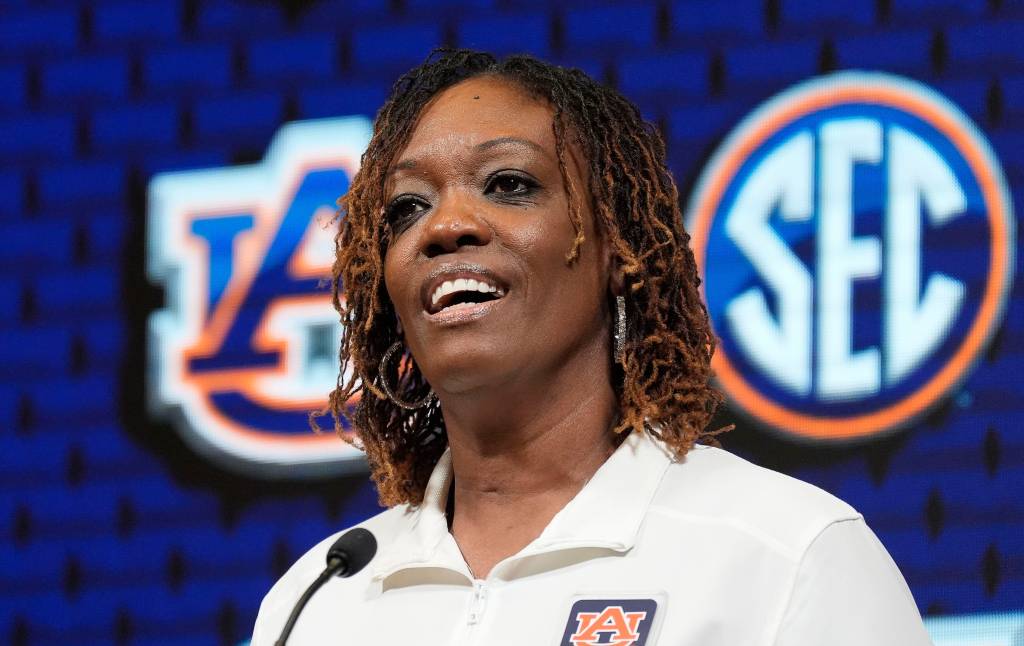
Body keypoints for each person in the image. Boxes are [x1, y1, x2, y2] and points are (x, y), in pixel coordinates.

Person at [252, 49, 931, 645]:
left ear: (618, 249)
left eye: (509, 184)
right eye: (408, 208)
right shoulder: (319, 600)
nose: (447, 225)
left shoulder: (783, 554)